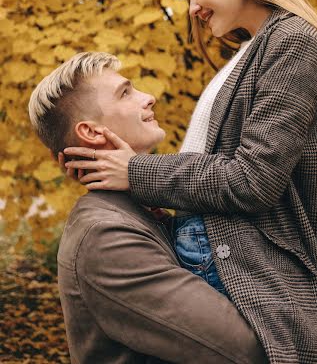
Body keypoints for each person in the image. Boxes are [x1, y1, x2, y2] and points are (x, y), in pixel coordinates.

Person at [64, 0, 317, 364]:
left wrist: (136, 173)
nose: (194, 7)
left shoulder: (294, 41)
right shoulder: (252, 50)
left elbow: (253, 180)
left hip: (241, 271)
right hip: (215, 259)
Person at [28, 52, 266, 364]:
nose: (149, 97)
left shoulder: (142, 212)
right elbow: (246, 350)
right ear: (92, 132)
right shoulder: (106, 236)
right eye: (125, 93)